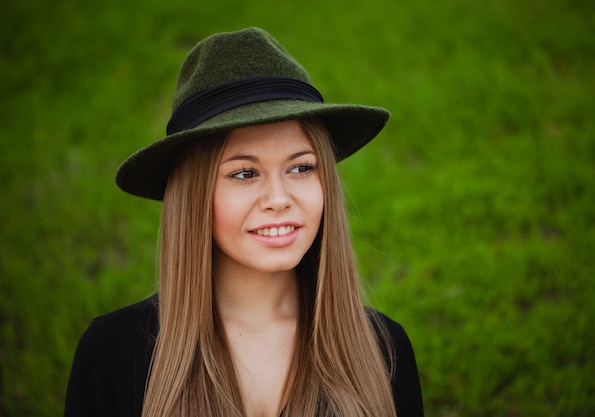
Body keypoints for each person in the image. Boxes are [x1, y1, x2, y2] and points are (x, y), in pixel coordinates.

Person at [64, 27, 424, 417]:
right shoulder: (113, 353)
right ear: (194, 195)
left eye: (301, 167)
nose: (279, 199)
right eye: (244, 173)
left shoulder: (383, 348)